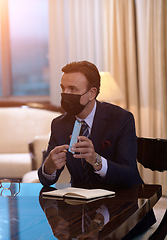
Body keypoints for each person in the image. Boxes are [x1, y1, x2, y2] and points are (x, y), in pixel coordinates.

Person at [37, 60, 155, 239]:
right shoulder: (60, 124)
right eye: (63, 88)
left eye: (73, 89)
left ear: (92, 93)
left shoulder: (121, 119)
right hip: (80, 209)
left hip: (123, 205)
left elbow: (129, 175)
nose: (66, 94)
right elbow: (46, 180)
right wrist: (49, 167)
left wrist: (96, 160)